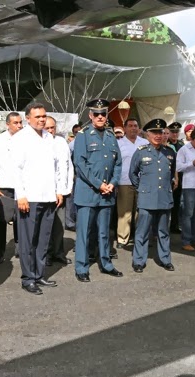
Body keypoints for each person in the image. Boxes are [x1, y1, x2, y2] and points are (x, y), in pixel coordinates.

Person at [11, 104, 68, 295]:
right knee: (29, 240)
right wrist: (21, 195)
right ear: (28, 118)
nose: (42, 120)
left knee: (43, 239)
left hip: (48, 196)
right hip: (30, 197)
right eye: (37, 117)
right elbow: (16, 170)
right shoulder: (20, 139)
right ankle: (28, 278)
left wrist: (59, 191)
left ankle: (39, 274)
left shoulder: (49, 138)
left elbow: (56, 168)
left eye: (44, 116)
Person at [73, 98, 123, 282]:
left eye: (103, 114)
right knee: (85, 232)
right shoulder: (83, 135)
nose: (100, 117)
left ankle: (106, 264)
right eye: (97, 114)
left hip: (107, 193)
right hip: (88, 192)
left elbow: (118, 162)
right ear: (90, 115)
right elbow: (80, 164)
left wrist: (113, 182)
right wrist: (98, 184)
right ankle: (81, 267)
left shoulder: (111, 136)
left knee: (104, 232)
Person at [129, 119, 177, 273]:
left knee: (163, 231)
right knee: (142, 231)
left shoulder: (169, 153)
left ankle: (165, 259)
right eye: (154, 132)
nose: (157, 135)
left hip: (164, 197)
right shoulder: (141, 151)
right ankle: (139, 261)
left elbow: (170, 174)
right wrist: (143, 188)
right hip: (147, 198)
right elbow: (133, 174)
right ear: (148, 134)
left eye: (160, 132)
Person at [0, 111, 23, 263]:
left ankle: (20, 249)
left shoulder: (26, 139)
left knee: (21, 219)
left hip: (22, 186)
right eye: (15, 123)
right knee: (0, 221)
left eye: (20, 122)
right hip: (4, 186)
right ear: (8, 124)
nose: (19, 126)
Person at [44, 115, 74, 267]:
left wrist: (67, 188)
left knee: (59, 225)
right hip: (46, 192)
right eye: (47, 128)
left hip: (61, 191)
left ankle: (58, 253)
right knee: (47, 225)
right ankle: (47, 254)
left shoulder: (62, 142)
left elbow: (67, 166)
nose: (50, 130)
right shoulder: (41, 143)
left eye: (52, 127)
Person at [116, 118, 148, 248]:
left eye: (135, 126)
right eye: (130, 126)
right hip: (124, 181)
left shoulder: (145, 143)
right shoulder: (118, 143)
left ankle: (139, 237)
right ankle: (122, 238)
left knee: (140, 212)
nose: (133, 128)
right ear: (124, 128)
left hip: (142, 182)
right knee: (125, 212)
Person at [167, 122, 185, 233]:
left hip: (180, 177)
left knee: (177, 203)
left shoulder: (181, 145)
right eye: (172, 132)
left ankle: (174, 225)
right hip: (169, 176)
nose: (174, 134)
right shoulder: (166, 144)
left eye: (176, 132)